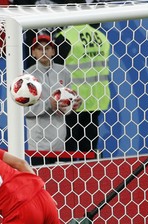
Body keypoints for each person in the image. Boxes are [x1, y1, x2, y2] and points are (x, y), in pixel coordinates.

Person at [25, 31, 81, 166]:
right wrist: (49, 104)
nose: (43, 51)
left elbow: (67, 104)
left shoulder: (64, 72)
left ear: (53, 51)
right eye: (39, 48)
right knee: (42, 183)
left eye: (47, 48)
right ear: (33, 53)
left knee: (62, 183)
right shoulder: (27, 76)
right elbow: (25, 111)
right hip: (38, 145)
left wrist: (74, 103)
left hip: (60, 142)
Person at [56, 24, 111, 158]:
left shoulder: (66, 36)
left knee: (69, 150)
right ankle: (91, 176)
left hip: (73, 101)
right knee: (89, 150)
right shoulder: (101, 37)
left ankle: (71, 177)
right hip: (97, 97)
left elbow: (55, 68)